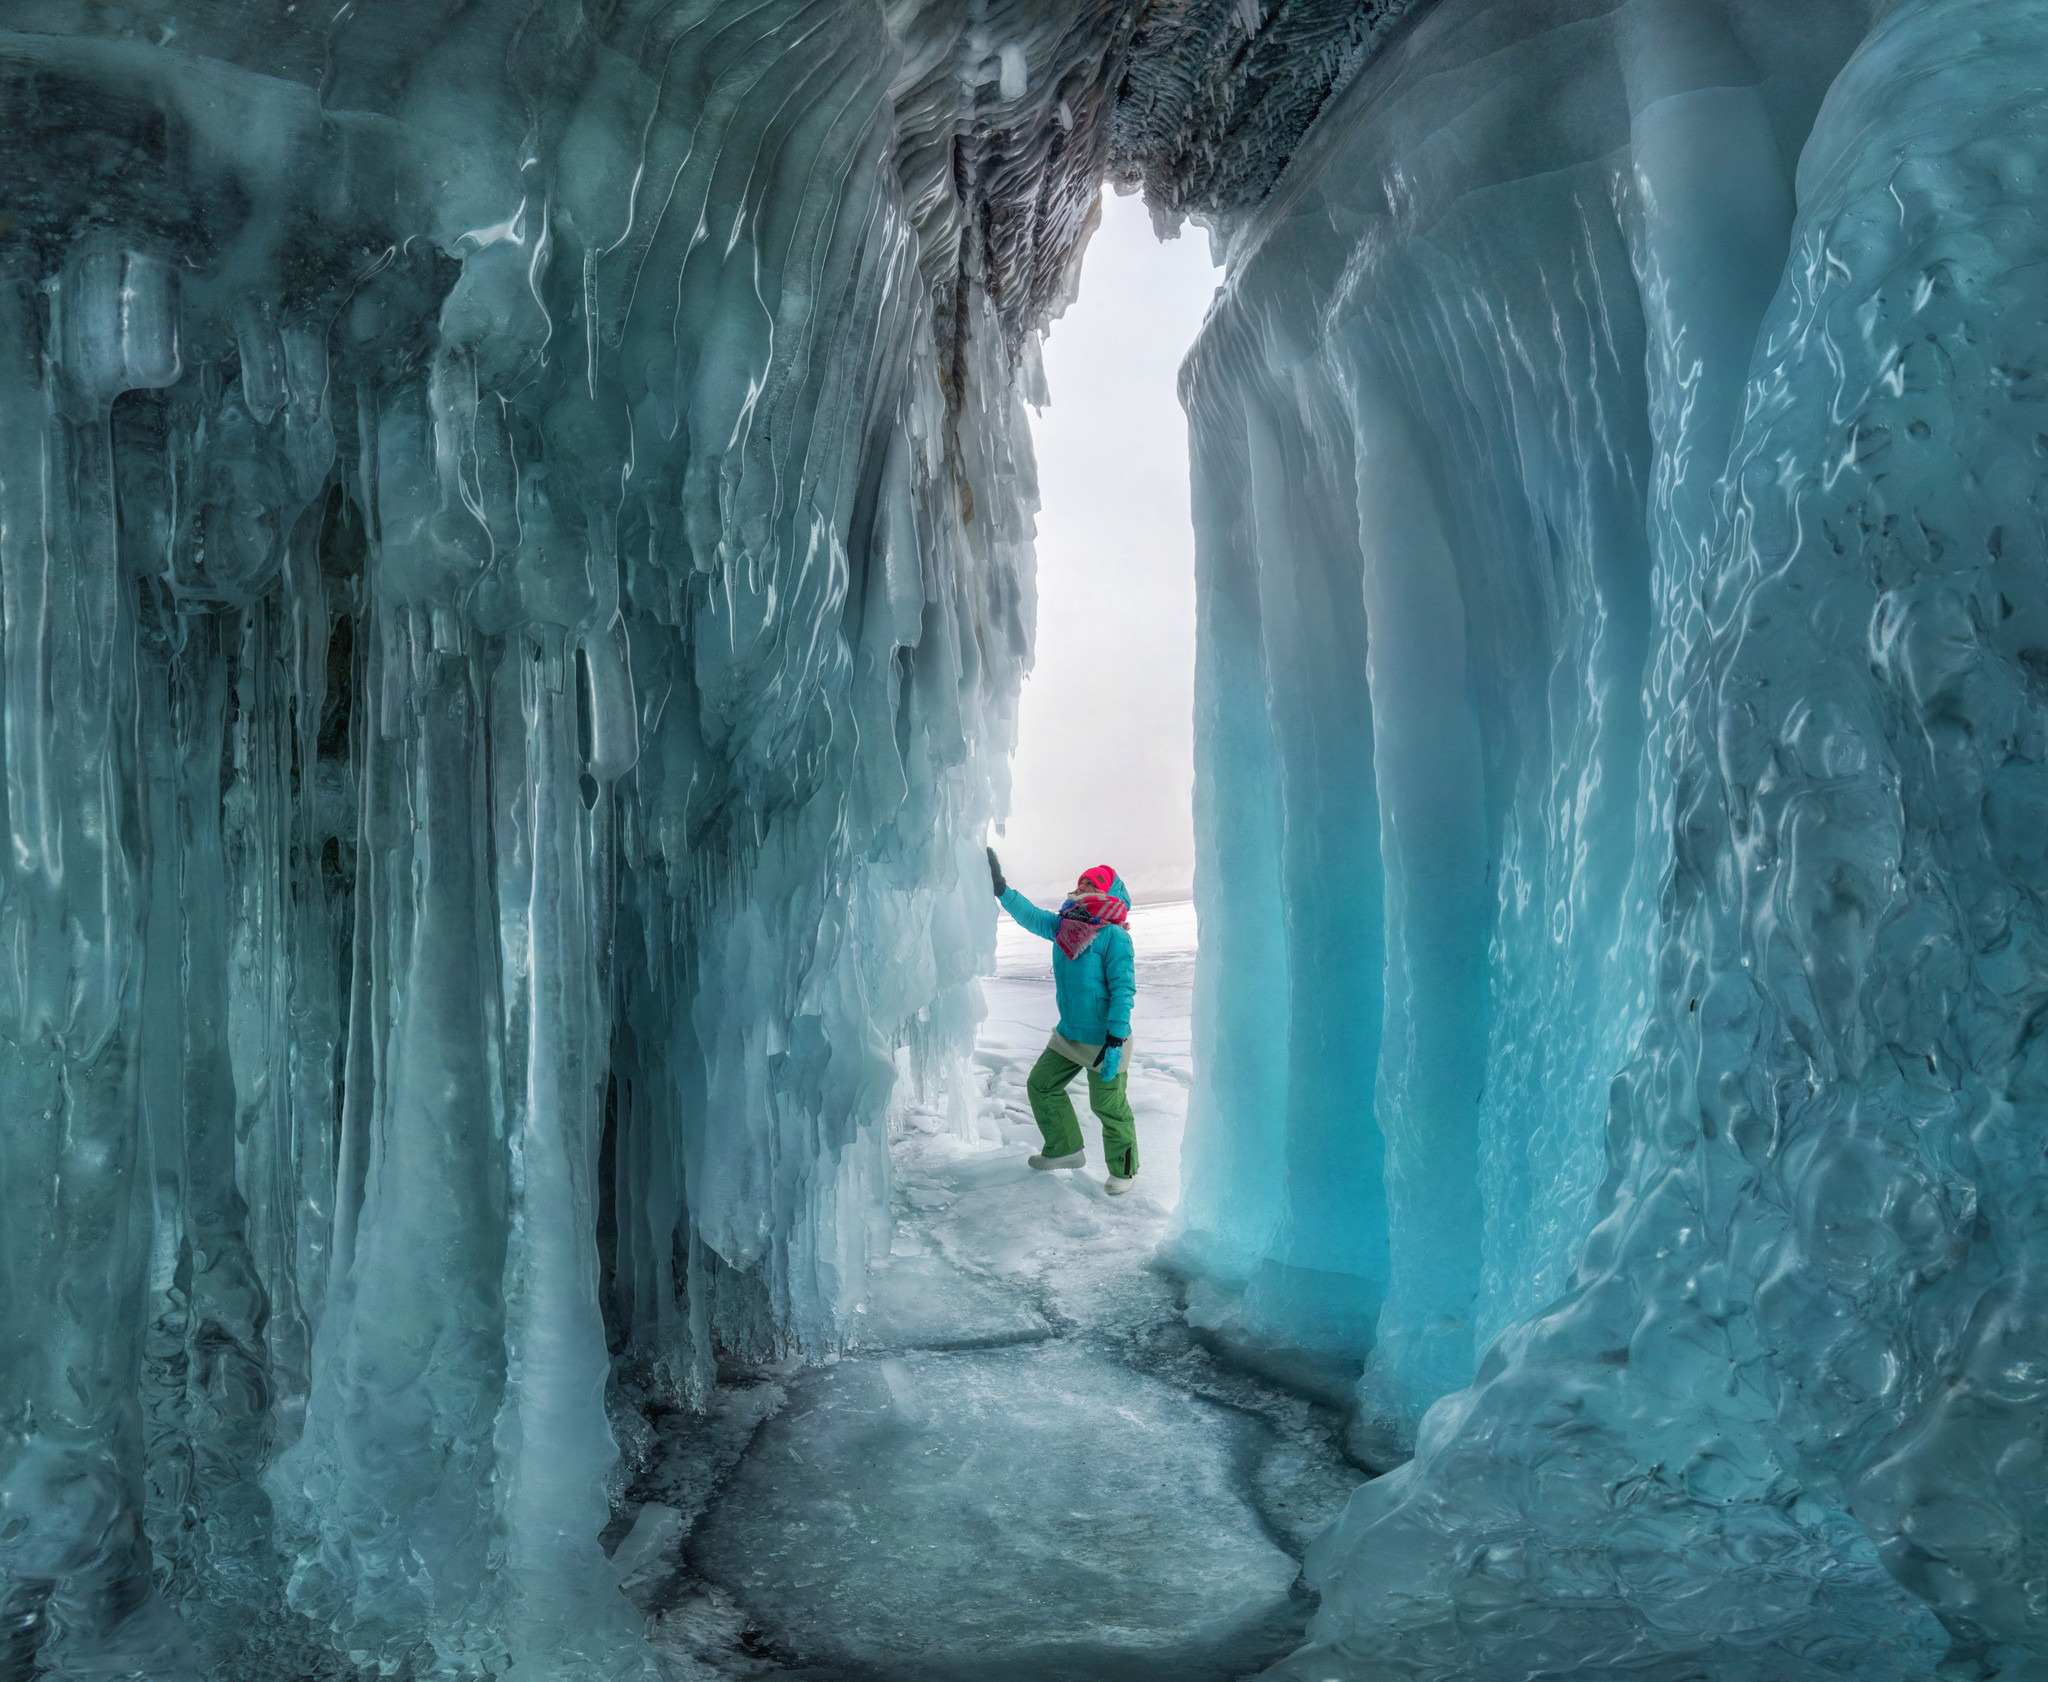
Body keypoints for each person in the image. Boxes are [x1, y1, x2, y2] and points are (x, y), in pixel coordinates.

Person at [985, 847, 1138, 1194]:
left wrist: (1115, 1040)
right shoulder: (1064, 926)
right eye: (1081, 881)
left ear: (1106, 892)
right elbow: (1031, 915)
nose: (1082, 886)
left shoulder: (1115, 937)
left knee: (1108, 1106)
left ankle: (1124, 1171)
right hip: (1069, 1034)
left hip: (1104, 1039)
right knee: (1041, 1085)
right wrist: (1001, 888)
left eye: (1091, 883)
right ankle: (1065, 1148)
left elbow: (1123, 991)